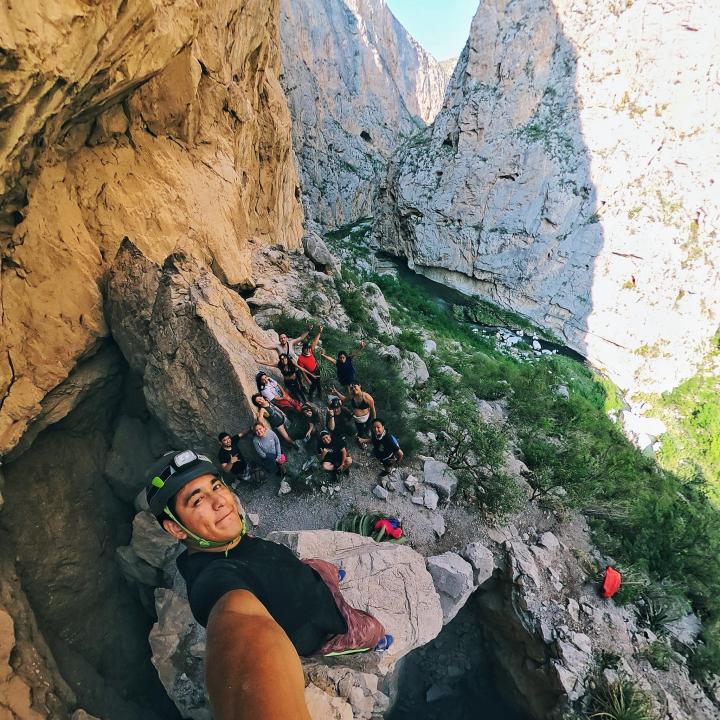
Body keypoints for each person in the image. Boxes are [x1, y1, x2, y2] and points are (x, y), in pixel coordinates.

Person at [145, 451, 392, 719]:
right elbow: (243, 636)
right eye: (197, 500)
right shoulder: (216, 582)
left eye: (216, 486)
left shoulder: (227, 540)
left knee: (322, 568)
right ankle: (376, 643)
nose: (219, 502)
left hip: (303, 577)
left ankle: (327, 576)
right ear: (177, 529)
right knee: (373, 629)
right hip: (323, 626)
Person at [333, 382, 376, 447]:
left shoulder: (367, 397)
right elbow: (344, 399)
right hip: (357, 420)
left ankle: (367, 433)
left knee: (367, 428)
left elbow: (373, 410)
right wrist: (336, 392)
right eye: (352, 388)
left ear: (359, 386)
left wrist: (375, 422)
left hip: (367, 417)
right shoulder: (352, 396)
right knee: (360, 432)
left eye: (355, 386)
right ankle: (360, 442)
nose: (353, 388)